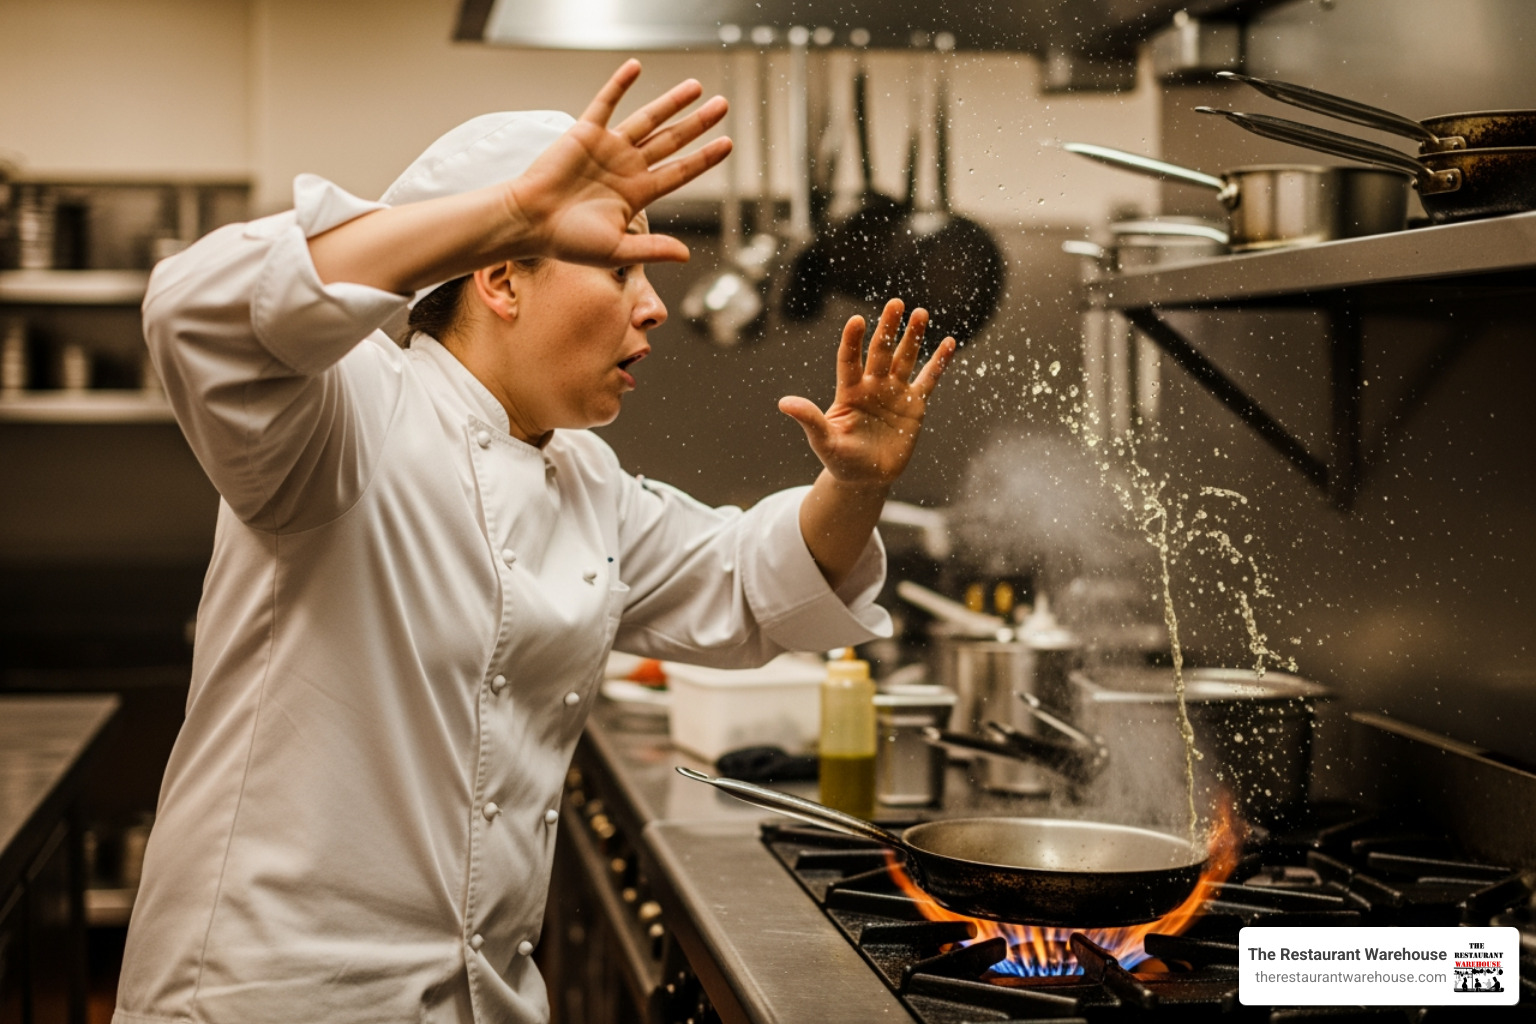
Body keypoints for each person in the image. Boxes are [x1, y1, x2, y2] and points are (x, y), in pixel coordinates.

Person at [114, 61, 953, 1024]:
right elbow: (198, 310)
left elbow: (747, 584)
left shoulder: (581, 475)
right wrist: (511, 206)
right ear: (501, 276)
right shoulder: (348, 418)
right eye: (616, 267)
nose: (653, 306)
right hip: (273, 999)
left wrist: (855, 484)